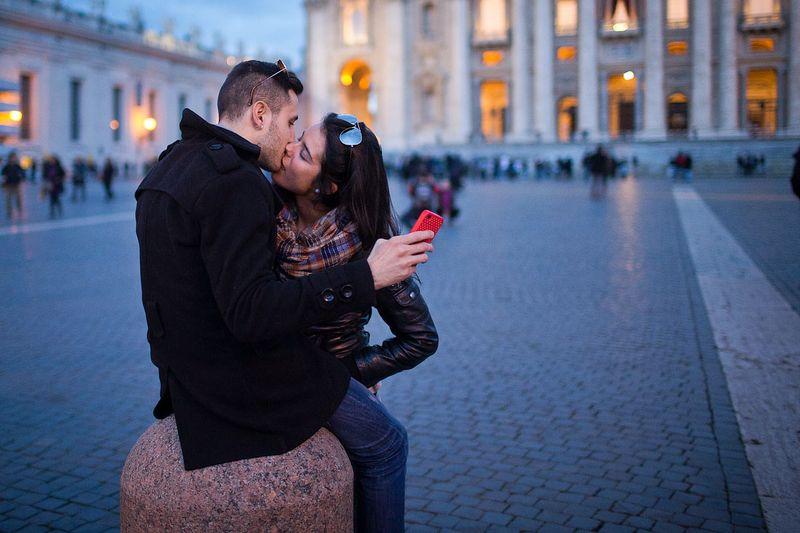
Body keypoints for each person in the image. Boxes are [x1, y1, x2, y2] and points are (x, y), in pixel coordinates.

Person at [135, 61, 434, 529]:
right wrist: (363, 282)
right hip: (246, 380)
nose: (291, 139)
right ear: (260, 114)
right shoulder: (238, 184)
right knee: (387, 443)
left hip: (188, 378)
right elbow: (251, 312)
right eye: (292, 122)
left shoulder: (171, 164)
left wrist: (353, 364)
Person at [272, 113, 439, 529]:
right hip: (279, 371)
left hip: (331, 377)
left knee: (389, 444)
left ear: (327, 186)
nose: (288, 148)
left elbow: (421, 338)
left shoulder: (368, 244)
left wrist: (353, 371)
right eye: (298, 138)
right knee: (388, 445)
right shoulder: (266, 212)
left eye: (303, 153)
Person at [2, 151, 25, 220]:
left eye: (14, 157)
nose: (13, 159)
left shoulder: (17, 166)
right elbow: (3, 175)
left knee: (18, 199)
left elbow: (23, 173)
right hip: (8, 185)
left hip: (16, 184)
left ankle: (20, 211)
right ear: (10, 158)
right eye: (12, 157)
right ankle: (9, 212)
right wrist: (4, 183)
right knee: (8, 199)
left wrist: (22, 177)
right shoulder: (6, 167)